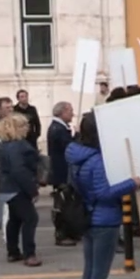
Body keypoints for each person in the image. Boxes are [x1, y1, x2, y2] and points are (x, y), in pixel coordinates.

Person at [66, 113, 140, 279]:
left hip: (89, 216)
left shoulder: (77, 155)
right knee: (99, 273)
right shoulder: (98, 160)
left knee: (90, 270)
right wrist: (131, 184)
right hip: (104, 218)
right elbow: (104, 193)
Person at [0, 115, 42, 267]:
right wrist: (32, 190)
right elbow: (19, 171)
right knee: (30, 218)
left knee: (15, 219)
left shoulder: (6, 145)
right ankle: (29, 254)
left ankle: (13, 251)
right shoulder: (18, 146)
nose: (28, 128)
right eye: (25, 125)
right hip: (16, 187)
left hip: (7, 188)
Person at [47, 101, 78, 246]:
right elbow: (69, 147)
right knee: (63, 205)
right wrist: (76, 135)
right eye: (70, 110)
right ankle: (62, 233)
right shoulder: (58, 129)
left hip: (63, 171)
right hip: (61, 172)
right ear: (62, 112)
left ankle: (70, 230)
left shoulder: (59, 128)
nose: (72, 113)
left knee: (68, 203)